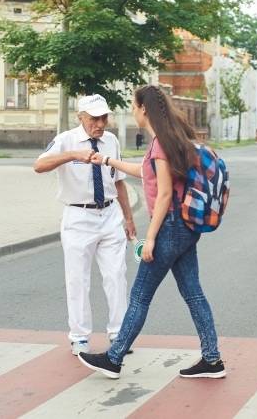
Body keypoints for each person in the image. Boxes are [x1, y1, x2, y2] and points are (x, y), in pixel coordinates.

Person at [78, 84, 225, 380]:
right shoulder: (171, 139)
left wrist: (152, 238)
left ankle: (114, 357)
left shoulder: (161, 143)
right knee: (193, 294)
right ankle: (212, 359)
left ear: (144, 108)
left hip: (170, 226)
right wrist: (107, 160)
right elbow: (147, 173)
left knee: (140, 296)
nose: (132, 111)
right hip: (185, 227)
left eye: (133, 106)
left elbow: (165, 194)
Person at [34, 94, 136, 356]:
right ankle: (79, 337)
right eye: (94, 118)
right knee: (78, 279)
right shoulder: (66, 140)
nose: (100, 123)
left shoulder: (111, 141)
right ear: (80, 118)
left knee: (116, 276)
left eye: (104, 117)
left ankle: (119, 334)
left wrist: (129, 217)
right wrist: (71, 155)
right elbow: (39, 165)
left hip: (110, 214)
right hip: (79, 217)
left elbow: (119, 181)